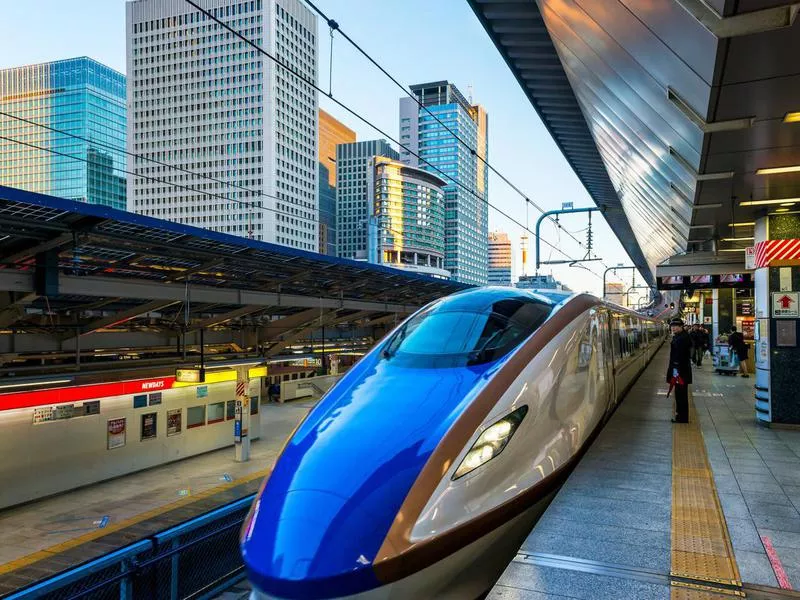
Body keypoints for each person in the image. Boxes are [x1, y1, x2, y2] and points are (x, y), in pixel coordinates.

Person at [667, 317, 693, 423]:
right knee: (680, 394)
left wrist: (675, 371)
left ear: (681, 327)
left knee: (680, 394)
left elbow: (679, 356)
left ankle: (682, 417)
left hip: (680, 371)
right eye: (672, 326)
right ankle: (681, 416)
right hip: (680, 370)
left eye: (676, 326)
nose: (673, 328)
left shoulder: (682, 338)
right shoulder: (681, 336)